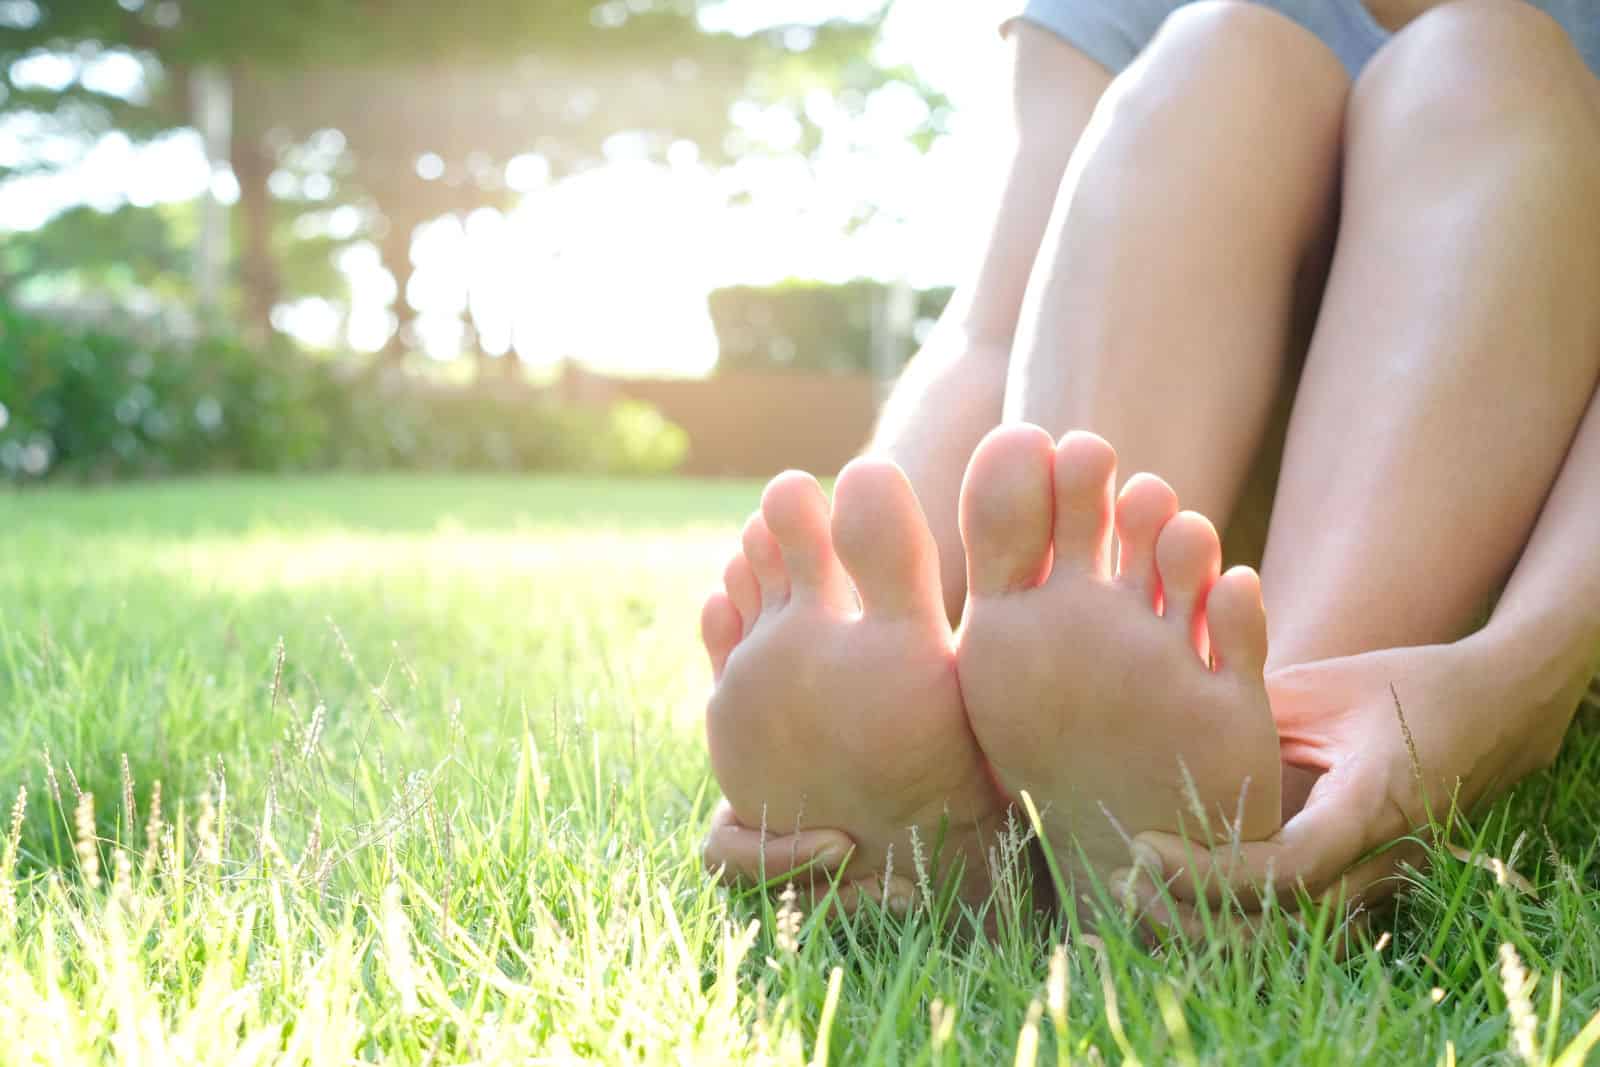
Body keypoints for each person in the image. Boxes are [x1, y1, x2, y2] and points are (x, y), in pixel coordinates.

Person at [698, 0, 1600, 931]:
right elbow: (994, 329)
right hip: (1179, 542)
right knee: (1221, 52)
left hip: (1517, 547)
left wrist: (1525, 663)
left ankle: (1286, 775)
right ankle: (1027, 775)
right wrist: (862, 645)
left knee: (1488, 57)